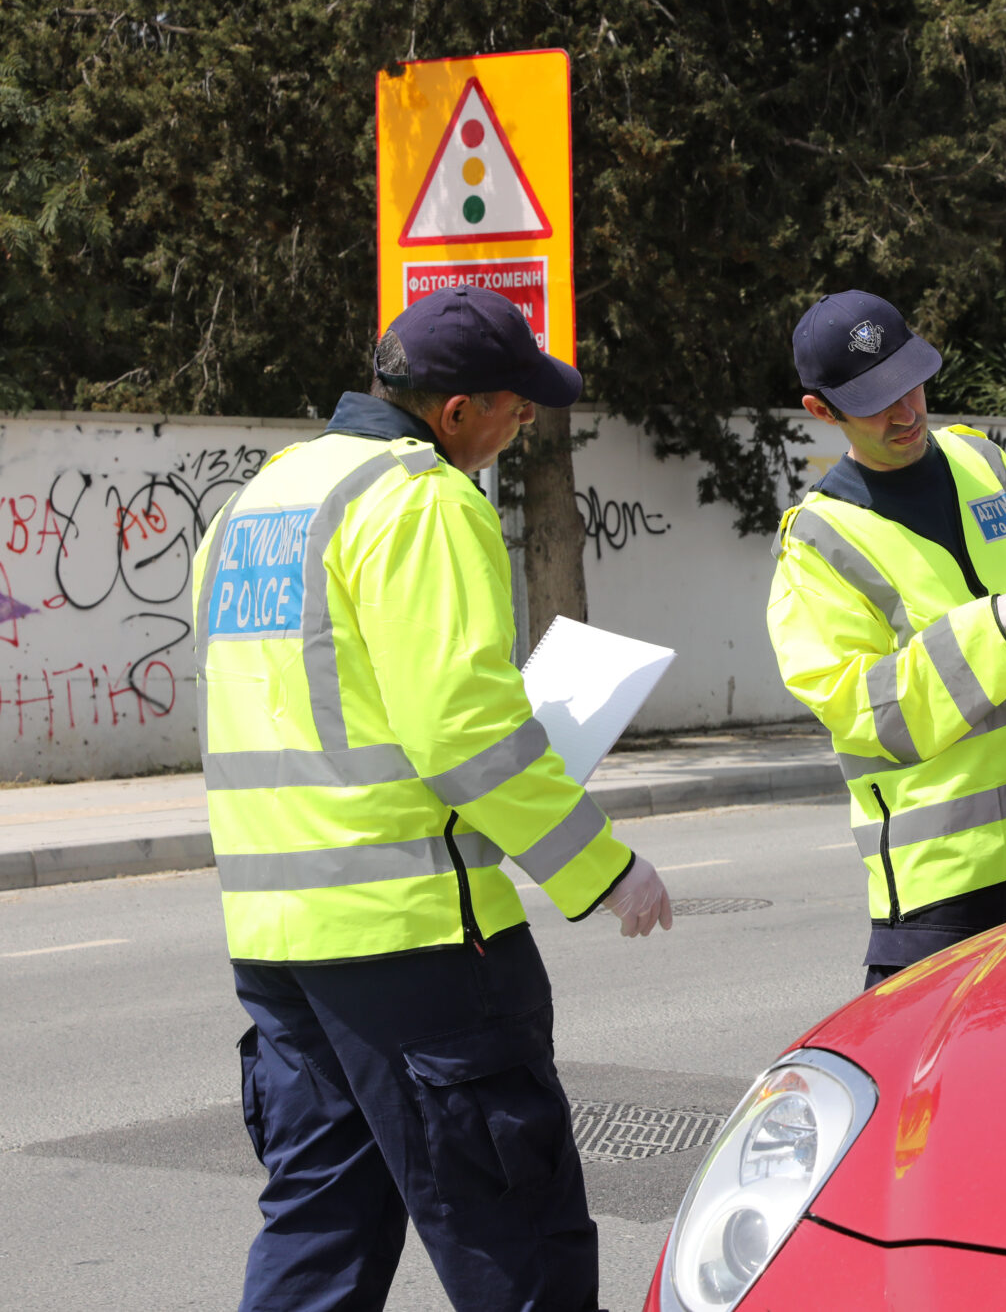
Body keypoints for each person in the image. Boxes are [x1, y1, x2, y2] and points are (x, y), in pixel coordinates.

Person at [195, 284, 673, 1312]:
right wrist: (602, 869)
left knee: (320, 1232)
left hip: (279, 942)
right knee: (518, 1242)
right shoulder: (419, 497)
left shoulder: (258, 501)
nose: (522, 423)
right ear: (454, 412)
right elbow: (463, 732)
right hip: (420, 946)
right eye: (512, 404)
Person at [765, 289, 1006, 988]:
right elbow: (868, 713)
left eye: (911, 382)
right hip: (943, 895)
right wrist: (989, 626)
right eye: (876, 399)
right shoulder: (817, 543)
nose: (905, 411)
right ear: (821, 410)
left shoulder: (982, 463)